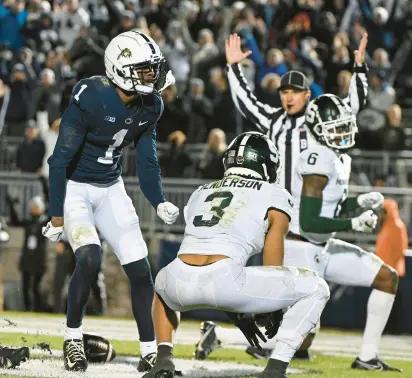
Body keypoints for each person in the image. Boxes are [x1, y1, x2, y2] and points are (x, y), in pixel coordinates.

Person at [194, 95, 402, 373]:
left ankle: (367, 356)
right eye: (335, 127)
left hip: (323, 246)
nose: (342, 133)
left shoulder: (341, 158)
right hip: (301, 246)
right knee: (300, 337)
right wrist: (352, 225)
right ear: (318, 128)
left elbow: (332, 205)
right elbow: (311, 221)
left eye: (344, 126)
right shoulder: (316, 159)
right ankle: (220, 335)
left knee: (386, 278)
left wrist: (358, 203)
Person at [42, 31, 179, 372]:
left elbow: (147, 161)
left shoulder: (152, 105)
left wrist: (158, 199)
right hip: (76, 187)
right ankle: (73, 339)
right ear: (121, 69)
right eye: (145, 70)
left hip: (111, 187)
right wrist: (56, 214)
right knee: (89, 257)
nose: (152, 76)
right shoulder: (92, 95)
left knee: (140, 268)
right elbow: (59, 160)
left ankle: (149, 351)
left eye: (153, 69)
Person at [143, 131, 330, 378]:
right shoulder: (275, 194)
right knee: (317, 287)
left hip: (176, 281)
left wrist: (238, 312)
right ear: (265, 164)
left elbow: (204, 256)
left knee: (162, 286)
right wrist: (270, 309)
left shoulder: (201, 191)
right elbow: (271, 262)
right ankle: (275, 369)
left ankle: (164, 359)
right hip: (226, 280)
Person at [224, 32, 369, 193]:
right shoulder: (273, 118)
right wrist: (233, 67)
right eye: (285, 93)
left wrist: (360, 70)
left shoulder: (321, 118)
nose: (290, 98)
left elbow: (353, 104)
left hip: (312, 204)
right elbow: (246, 102)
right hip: (280, 204)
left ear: (307, 95)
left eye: (295, 93)